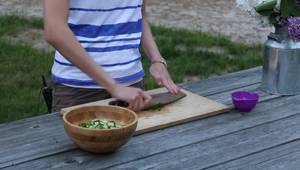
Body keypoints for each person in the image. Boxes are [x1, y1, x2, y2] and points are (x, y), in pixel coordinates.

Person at [43, 0, 180, 112]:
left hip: (132, 88)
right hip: (79, 90)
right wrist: (113, 86)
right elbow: (54, 30)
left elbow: (139, 15)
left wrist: (156, 60)